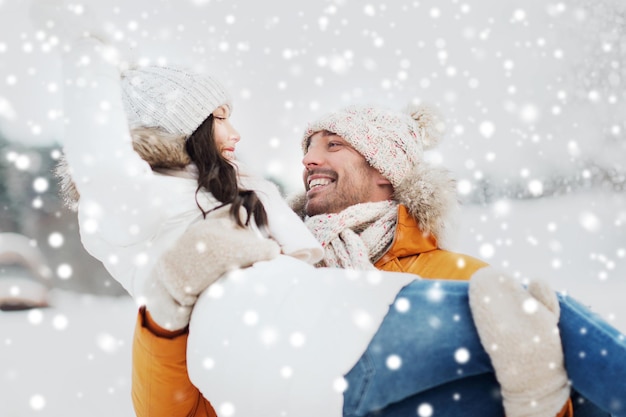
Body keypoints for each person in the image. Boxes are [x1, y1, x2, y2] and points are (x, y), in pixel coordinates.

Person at [45, 11, 625, 417]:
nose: (309, 161)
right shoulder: (256, 251)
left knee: (547, 328)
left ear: (385, 172)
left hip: (362, 339)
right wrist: (163, 319)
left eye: (334, 146)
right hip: (323, 367)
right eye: (307, 146)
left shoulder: (454, 273)